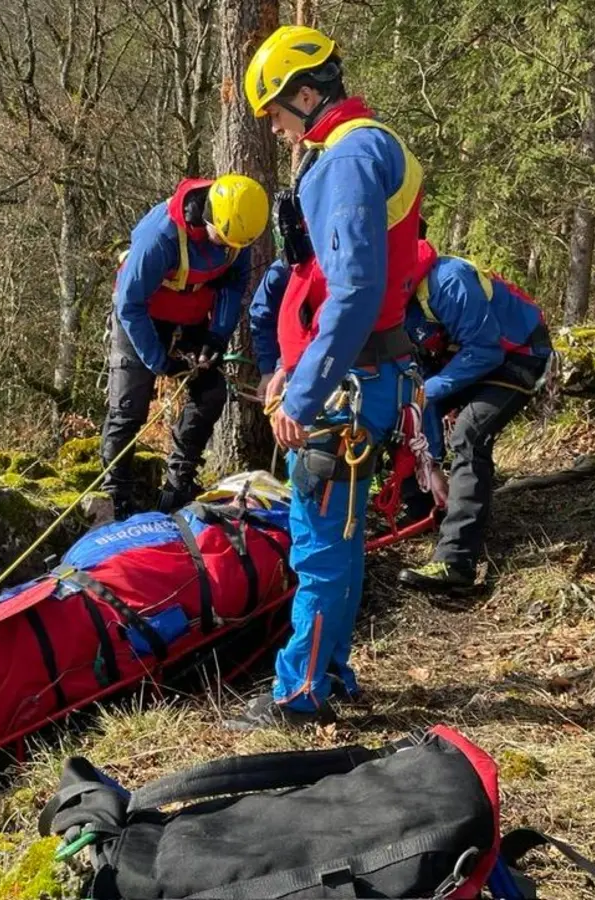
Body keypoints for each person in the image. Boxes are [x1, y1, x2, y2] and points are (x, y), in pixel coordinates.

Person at [231, 25, 426, 729]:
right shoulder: (361, 148)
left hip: (343, 391)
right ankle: (330, 673)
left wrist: (306, 389)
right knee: (338, 540)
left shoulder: (347, 158)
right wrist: (291, 360)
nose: (279, 132)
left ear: (308, 94)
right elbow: (326, 284)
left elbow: (354, 291)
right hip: (358, 374)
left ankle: (299, 693)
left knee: (320, 549)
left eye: (280, 115)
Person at [101, 174, 270, 517]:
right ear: (207, 215)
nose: (228, 248)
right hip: (141, 319)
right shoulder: (160, 236)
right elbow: (129, 303)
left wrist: (216, 336)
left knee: (211, 393)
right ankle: (114, 493)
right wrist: (158, 361)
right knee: (128, 408)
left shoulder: (238, 228)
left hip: (193, 321)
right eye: (222, 239)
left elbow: (234, 284)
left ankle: (179, 483)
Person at [395, 235, 552, 594]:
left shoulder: (448, 282)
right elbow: (419, 384)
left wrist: (427, 393)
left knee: (469, 434)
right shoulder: (395, 304)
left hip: (519, 354)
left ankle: (456, 562)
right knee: (403, 404)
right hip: (472, 357)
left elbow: (486, 350)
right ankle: (423, 511)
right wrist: (430, 462)